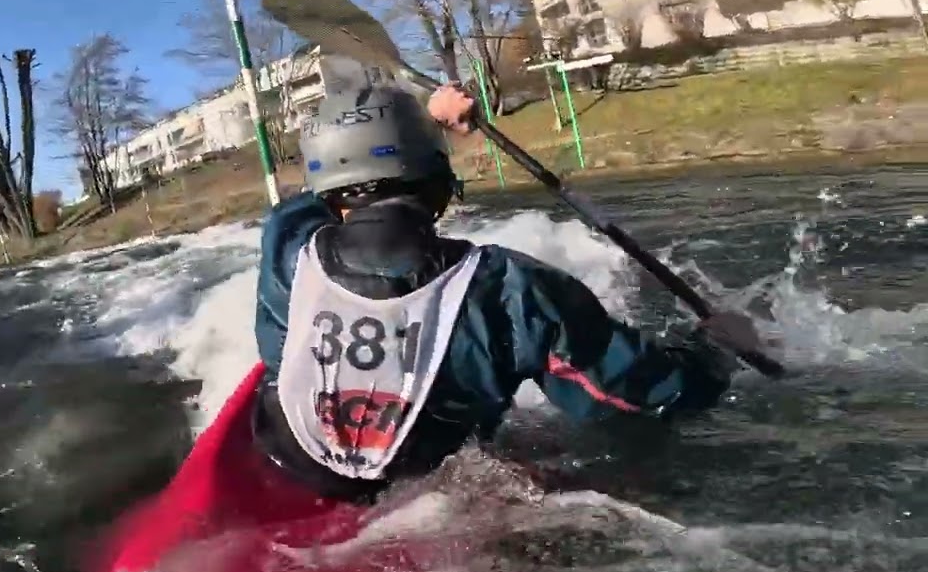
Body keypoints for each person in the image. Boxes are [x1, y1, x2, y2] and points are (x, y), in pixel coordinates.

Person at [251, 82, 765, 503]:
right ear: (437, 185)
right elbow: (628, 394)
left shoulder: (286, 242)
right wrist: (714, 352)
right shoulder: (510, 288)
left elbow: (329, 186)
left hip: (292, 458)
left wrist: (422, 125)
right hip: (417, 483)